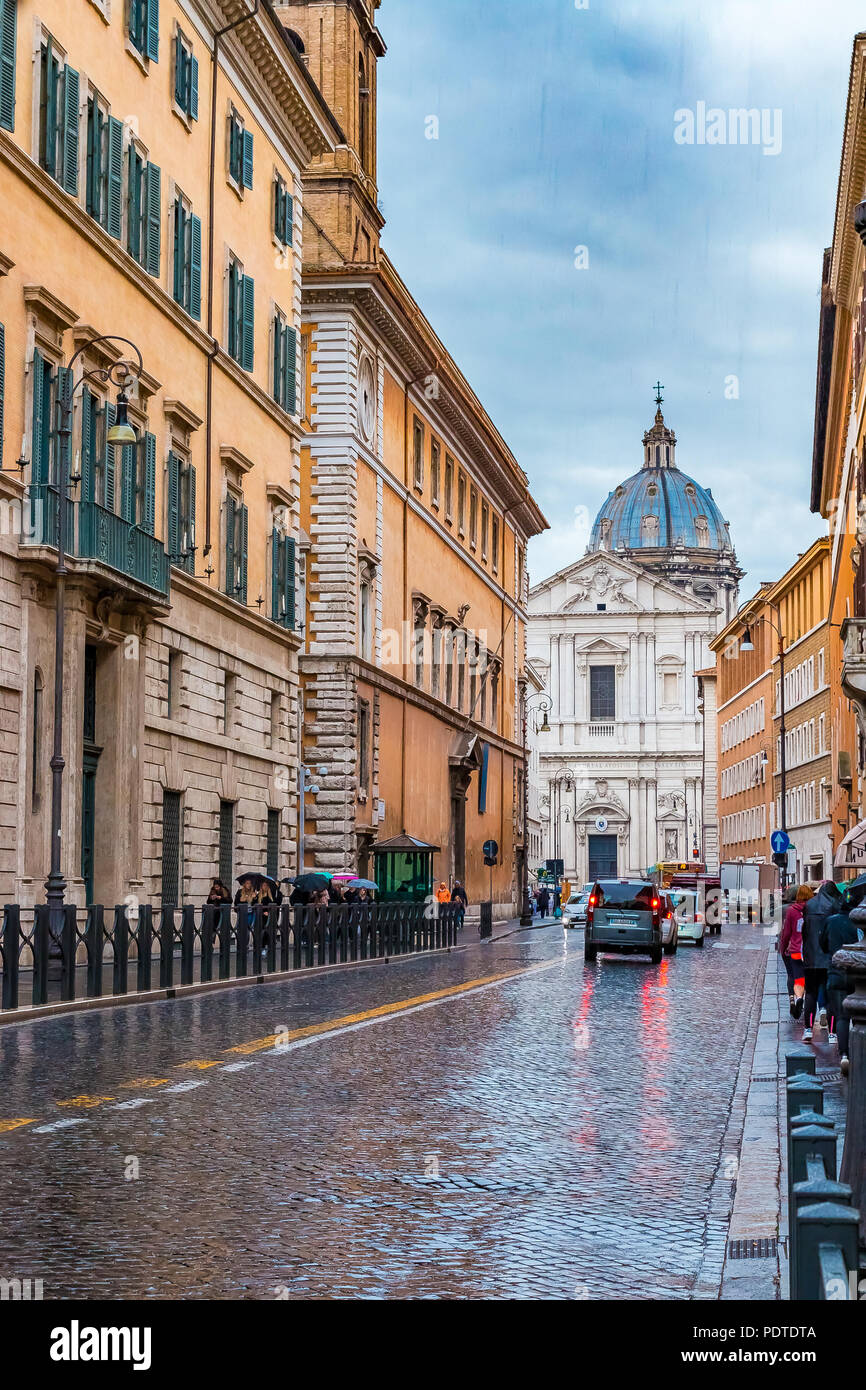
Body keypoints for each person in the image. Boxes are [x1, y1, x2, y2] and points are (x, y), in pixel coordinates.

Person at [820, 895, 862, 1076]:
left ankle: (844, 1054)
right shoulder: (857, 925)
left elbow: (823, 945)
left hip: (836, 973)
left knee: (842, 1017)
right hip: (858, 975)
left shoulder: (831, 921)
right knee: (859, 1016)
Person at [801, 881, 836, 1043]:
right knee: (830, 996)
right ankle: (832, 1032)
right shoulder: (833, 905)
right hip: (828, 958)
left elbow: (805, 932)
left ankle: (808, 1029)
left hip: (811, 957)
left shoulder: (809, 905)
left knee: (811, 994)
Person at [779, 885, 810, 1019]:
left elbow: (786, 933)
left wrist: (783, 947)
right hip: (809, 950)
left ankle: (795, 999)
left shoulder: (790, 910)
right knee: (805, 978)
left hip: (794, 949)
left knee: (793, 976)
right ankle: (804, 1001)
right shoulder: (811, 909)